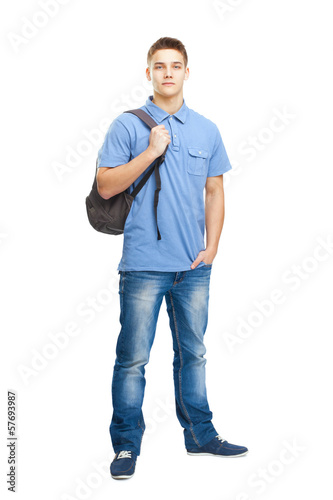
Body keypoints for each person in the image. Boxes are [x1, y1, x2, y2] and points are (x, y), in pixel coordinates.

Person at [96, 37, 248, 480]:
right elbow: (106, 186)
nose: (167, 72)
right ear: (148, 74)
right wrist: (151, 151)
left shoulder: (206, 129)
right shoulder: (128, 126)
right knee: (133, 359)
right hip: (143, 265)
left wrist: (212, 248)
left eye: (175, 65)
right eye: (159, 66)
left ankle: (200, 434)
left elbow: (215, 190)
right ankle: (126, 445)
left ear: (186, 72)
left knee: (194, 354)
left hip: (193, 268)